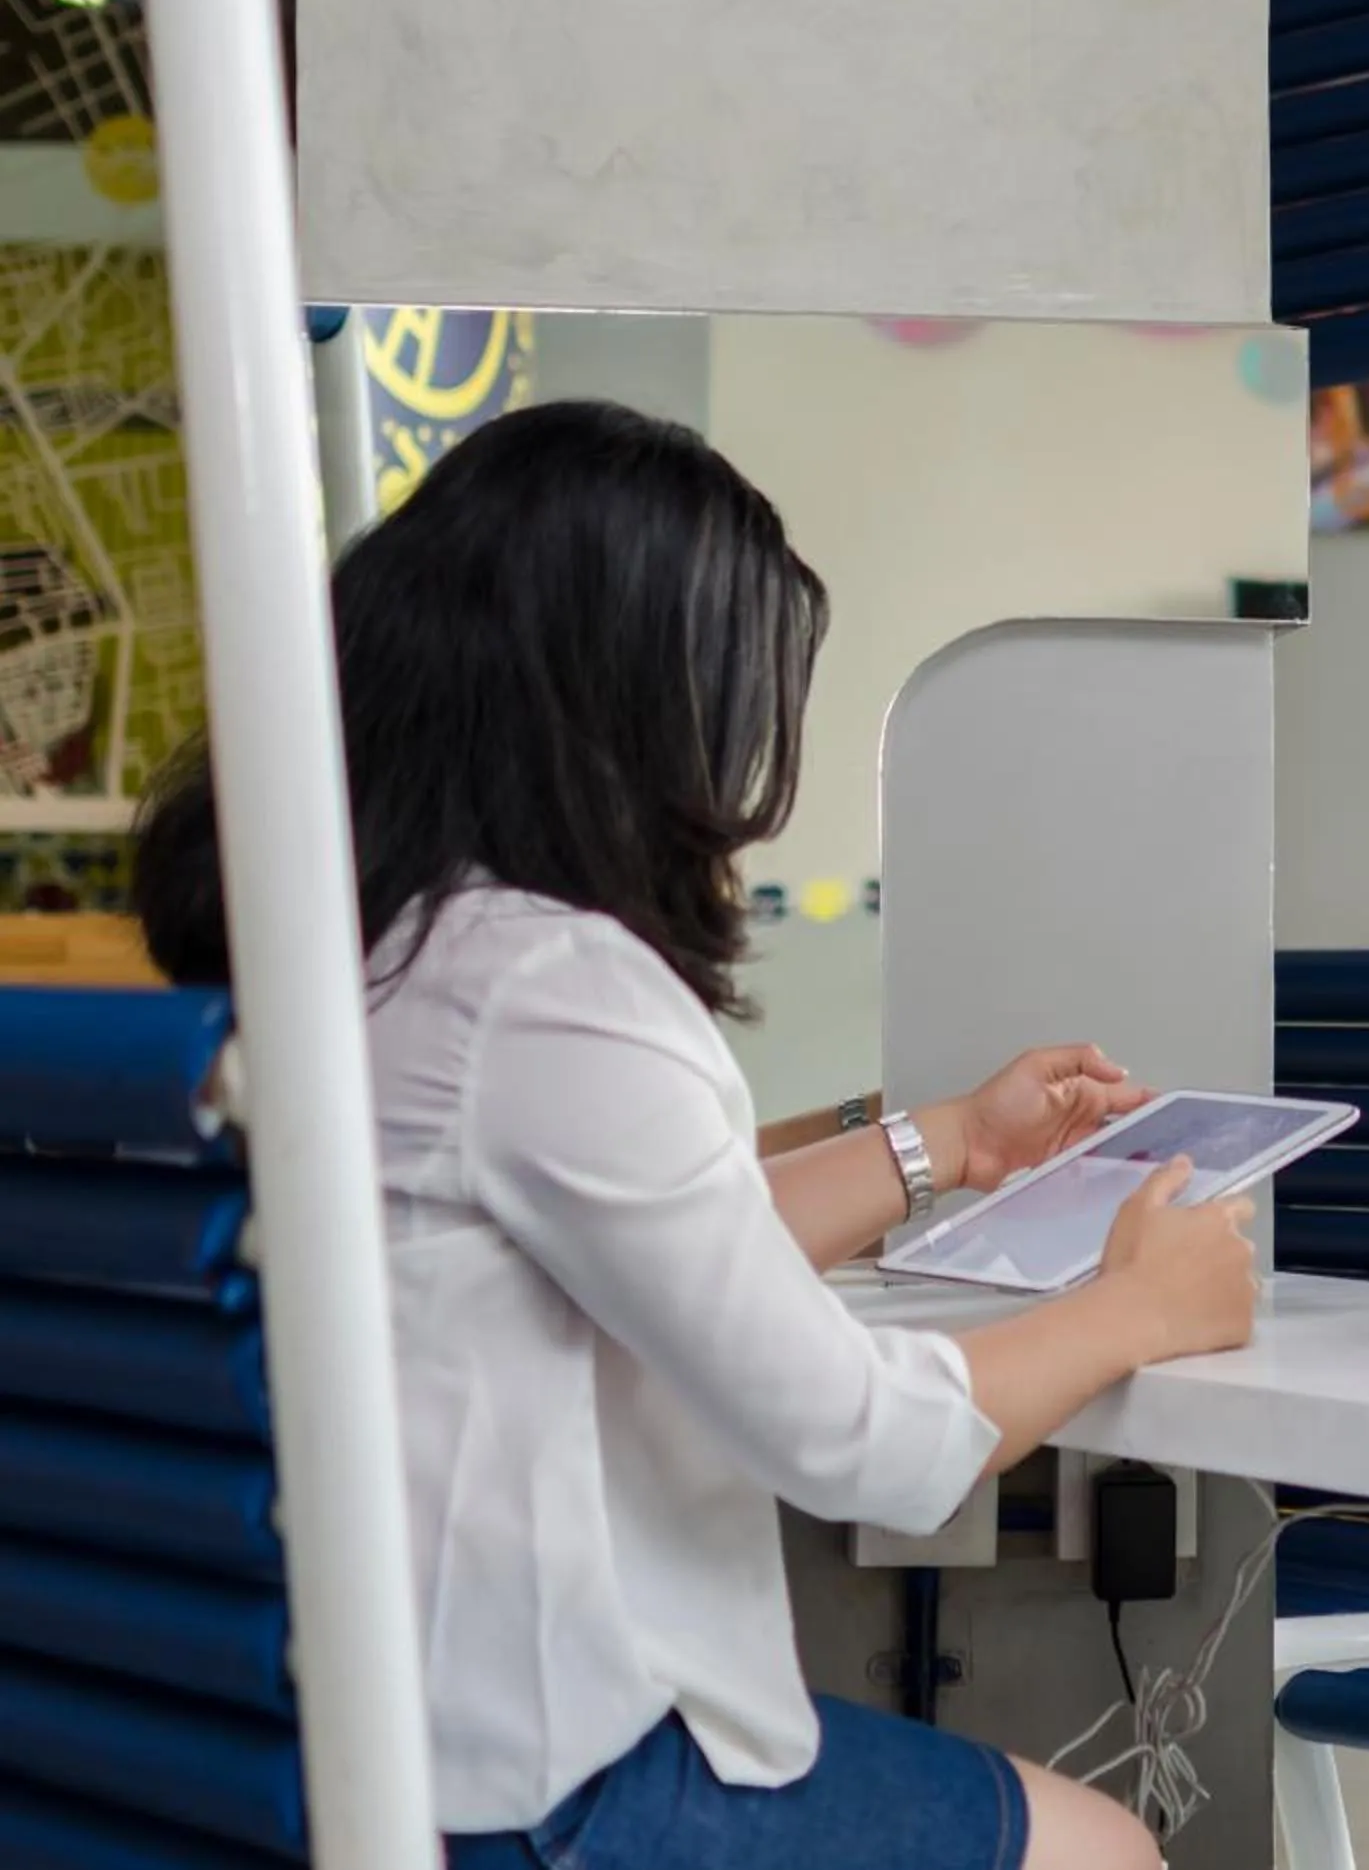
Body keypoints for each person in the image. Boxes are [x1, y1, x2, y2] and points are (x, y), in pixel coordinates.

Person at [133, 399, 1251, 1870]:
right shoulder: (546, 981)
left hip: (283, 1744)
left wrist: (940, 1142)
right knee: (1103, 1850)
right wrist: (1136, 1308)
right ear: (630, 707)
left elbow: (642, 1249)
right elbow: (853, 1436)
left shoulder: (350, 953)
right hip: (526, 1796)